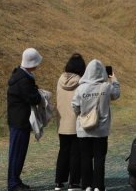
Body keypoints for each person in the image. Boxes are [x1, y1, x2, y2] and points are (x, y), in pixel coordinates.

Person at [71, 59, 120, 191]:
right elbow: (116, 94)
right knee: (99, 159)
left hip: (84, 129)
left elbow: (75, 107)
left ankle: (86, 185)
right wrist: (114, 79)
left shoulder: (81, 89)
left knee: (85, 158)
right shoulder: (106, 87)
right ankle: (98, 186)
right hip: (101, 130)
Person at [7, 48, 43, 191]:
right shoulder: (23, 80)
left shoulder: (20, 75)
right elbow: (34, 97)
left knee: (18, 153)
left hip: (18, 120)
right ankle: (13, 183)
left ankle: (15, 181)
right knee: (17, 153)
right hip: (19, 121)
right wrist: (39, 94)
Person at [54, 54, 86, 191]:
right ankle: (74, 182)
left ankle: (59, 181)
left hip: (62, 122)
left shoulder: (60, 80)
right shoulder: (80, 82)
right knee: (76, 153)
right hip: (76, 122)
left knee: (63, 152)